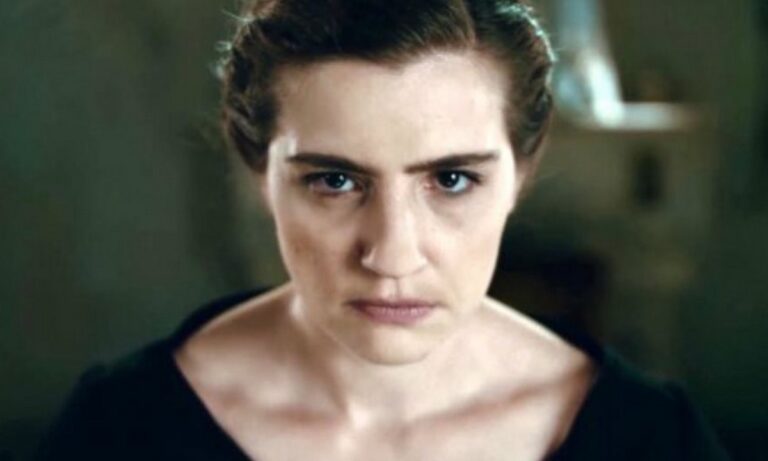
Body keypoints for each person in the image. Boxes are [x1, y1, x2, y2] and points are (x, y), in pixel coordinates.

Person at [38, 0, 731, 460]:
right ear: (258, 170)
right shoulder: (120, 430)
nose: (392, 255)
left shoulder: (651, 439)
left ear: (521, 171)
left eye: (451, 179)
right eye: (334, 180)